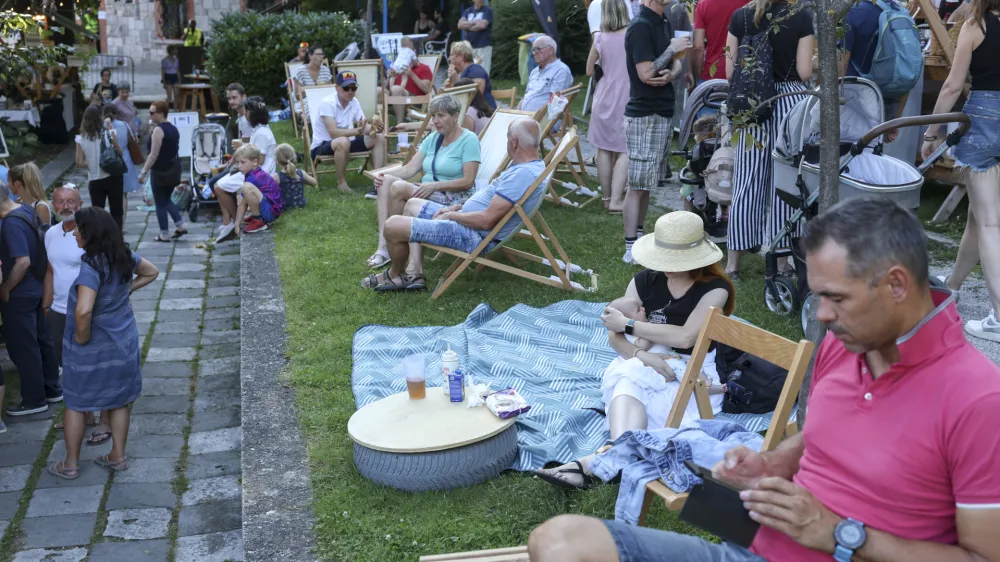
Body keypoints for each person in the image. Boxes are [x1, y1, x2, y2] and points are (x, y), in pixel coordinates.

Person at [526, 198, 1000, 562]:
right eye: (818, 296)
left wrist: (842, 534)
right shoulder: (848, 340)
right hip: (755, 543)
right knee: (562, 539)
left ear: (896, 285)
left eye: (835, 297)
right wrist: (769, 464)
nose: (822, 316)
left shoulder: (977, 400)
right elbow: (819, 438)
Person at [535, 210, 733, 489]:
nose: (668, 266)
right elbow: (615, 339)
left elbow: (687, 337)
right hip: (643, 358)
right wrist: (643, 355)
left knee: (632, 384)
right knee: (631, 377)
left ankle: (597, 462)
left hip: (692, 369)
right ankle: (616, 459)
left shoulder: (716, 289)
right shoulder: (644, 281)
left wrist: (630, 325)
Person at [361, 119, 543, 292]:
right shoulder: (530, 167)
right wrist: (457, 208)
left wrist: (451, 215)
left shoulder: (521, 175)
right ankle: (414, 272)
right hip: (465, 219)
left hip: (472, 236)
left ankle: (395, 274)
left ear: (514, 142)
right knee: (411, 204)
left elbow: (487, 221)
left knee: (392, 225)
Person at [47, 207, 160, 479]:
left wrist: (81, 337)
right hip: (122, 342)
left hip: (92, 347)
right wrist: (122, 294)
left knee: (75, 402)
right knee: (119, 400)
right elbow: (151, 272)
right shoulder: (123, 255)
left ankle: (71, 464)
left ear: (90, 233)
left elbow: (84, 310)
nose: (74, 232)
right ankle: (117, 457)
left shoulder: (90, 267)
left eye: (78, 228)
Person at [924, 0, 1000, 342]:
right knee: (978, 215)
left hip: (985, 120)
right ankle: (952, 285)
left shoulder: (977, 25)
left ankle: (999, 317)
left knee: (989, 221)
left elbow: (953, 86)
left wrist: (932, 133)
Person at [724, 0, 814, 279]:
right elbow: (804, 73)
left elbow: (729, 72)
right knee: (786, 183)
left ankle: (733, 263)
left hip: (751, 102)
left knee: (747, 179)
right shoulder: (801, 17)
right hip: (789, 104)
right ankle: (781, 262)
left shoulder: (740, 16)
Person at [366, 95, 481, 270]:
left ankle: (393, 244)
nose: (435, 121)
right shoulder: (433, 138)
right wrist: (382, 175)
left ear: (455, 116)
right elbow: (409, 169)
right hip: (429, 190)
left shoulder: (469, 139)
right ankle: (384, 246)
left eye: (441, 116)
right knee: (387, 181)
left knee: (397, 187)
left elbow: (468, 181)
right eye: (433, 116)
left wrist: (435, 185)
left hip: (453, 198)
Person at [621, 0, 692, 264]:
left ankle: (638, 240)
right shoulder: (640, 26)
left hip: (661, 111)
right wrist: (670, 51)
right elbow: (645, 72)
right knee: (637, 185)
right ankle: (630, 248)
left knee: (647, 184)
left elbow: (674, 64)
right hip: (644, 114)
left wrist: (672, 72)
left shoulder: (663, 21)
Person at [44, 185, 111, 444]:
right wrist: (46, 306)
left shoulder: (90, 235)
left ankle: (105, 418)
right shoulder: (50, 234)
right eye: (60, 202)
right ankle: (83, 414)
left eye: (71, 201)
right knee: (70, 367)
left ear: (80, 203)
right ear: (53, 204)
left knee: (99, 365)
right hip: (59, 311)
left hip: (88, 310)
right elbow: (51, 270)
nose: (65, 206)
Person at [0, 182, 61, 417]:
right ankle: (51, 389)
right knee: (41, 339)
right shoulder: (25, 209)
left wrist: (6, 287)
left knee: (24, 347)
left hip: (20, 294)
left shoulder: (10, 224)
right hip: (36, 287)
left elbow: (22, 261)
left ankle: (33, 400)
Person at [587, 0, 632, 213]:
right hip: (627, 94)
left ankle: (606, 199)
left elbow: (589, 70)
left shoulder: (599, 37)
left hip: (603, 95)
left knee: (603, 148)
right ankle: (616, 200)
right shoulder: (632, 35)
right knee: (625, 148)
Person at [309, 71, 387, 193]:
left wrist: (374, 129)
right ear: (337, 88)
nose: (350, 91)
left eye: (353, 88)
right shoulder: (327, 103)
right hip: (322, 147)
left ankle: (378, 182)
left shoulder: (354, 102)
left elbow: (363, 127)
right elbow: (333, 133)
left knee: (379, 137)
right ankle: (341, 183)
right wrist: (357, 131)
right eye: (346, 88)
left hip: (346, 145)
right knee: (342, 141)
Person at [839, 0, 906, 141]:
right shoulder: (901, 13)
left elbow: (840, 66)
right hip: (888, 100)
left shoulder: (853, 11)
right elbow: (907, 71)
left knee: (848, 157)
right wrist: (895, 118)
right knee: (874, 156)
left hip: (854, 103)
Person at [137, 101, 187, 243]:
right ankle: (180, 225)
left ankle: (164, 234)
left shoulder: (159, 130)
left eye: (152, 112)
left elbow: (153, 154)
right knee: (166, 199)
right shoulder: (173, 128)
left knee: (160, 202)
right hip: (173, 169)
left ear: (160, 113)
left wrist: (143, 172)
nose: (150, 115)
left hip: (160, 171)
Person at [76, 105, 125, 230]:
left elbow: (80, 162)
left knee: (97, 213)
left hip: (95, 179)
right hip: (112, 176)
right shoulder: (108, 133)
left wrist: (92, 162)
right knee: (116, 211)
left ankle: (100, 239)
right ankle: (117, 238)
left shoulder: (81, 138)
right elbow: (120, 152)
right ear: (100, 117)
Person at [232, 144, 283, 235]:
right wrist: (237, 223)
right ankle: (258, 217)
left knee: (246, 187)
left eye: (242, 162)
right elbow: (243, 202)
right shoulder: (254, 173)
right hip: (270, 210)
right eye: (238, 162)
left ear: (255, 162)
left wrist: (237, 224)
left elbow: (242, 203)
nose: (239, 166)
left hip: (271, 212)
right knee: (246, 188)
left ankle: (258, 220)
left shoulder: (254, 178)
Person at [102, 105, 139, 224]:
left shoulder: (102, 126)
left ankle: (112, 222)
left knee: (111, 195)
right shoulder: (125, 125)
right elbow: (133, 140)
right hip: (124, 159)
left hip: (108, 160)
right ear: (116, 113)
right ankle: (122, 223)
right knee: (123, 194)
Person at [692, 0, 745, 82]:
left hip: (712, 75)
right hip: (740, 73)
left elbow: (698, 46)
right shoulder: (749, 3)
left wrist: (698, 77)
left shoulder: (703, 4)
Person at [519, 35, 574, 113]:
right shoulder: (534, 71)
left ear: (550, 50)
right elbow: (527, 96)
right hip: (526, 117)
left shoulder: (561, 70)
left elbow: (555, 104)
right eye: (533, 50)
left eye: (537, 49)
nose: (534, 53)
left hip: (542, 120)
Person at [444, 40, 497, 109]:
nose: (449, 58)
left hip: (484, 113)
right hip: (469, 112)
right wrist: (450, 87)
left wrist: (457, 82)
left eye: (451, 55)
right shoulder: (462, 73)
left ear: (461, 56)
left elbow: (477, 97)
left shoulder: (476, 71)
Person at [232, 97, 276, 174]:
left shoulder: (261, 133)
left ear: (249, 113)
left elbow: (260, 161)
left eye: (245, 110)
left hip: (260, 175)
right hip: (255, 172)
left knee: (218, 184)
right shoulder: (259, 129)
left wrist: (242, 146)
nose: (244, 113)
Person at [384, 57, 434, 124]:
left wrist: (411, 74)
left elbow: (427, 89)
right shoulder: (398, 68)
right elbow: (385, 89)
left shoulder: (423, 67)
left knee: (396, 89)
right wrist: (390, 77)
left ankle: (400, 124)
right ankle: (376, 125)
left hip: (414, 99)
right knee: (378, 91)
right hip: (393, 98)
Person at [7, 162, 53, 226]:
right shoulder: (18, 202)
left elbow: (42, 233)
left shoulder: (40, 207)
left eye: (9, 181)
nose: (8, 185)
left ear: (17, 184)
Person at [272, 143, 316, 210]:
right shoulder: (301, 173)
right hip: (301, 204)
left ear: (277, 161)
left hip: (284, 207)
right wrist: (301, 180)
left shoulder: (276, 177)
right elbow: (314, 182)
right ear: (294, 157)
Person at [458, 0, 495, 73]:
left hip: (483, 47)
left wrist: (467, 27)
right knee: (467, 71)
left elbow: (482, 25)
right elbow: (459, 25)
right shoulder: (468, 11)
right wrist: (473, 22)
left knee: (482, 72)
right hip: (469, 47)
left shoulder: (488, 10)